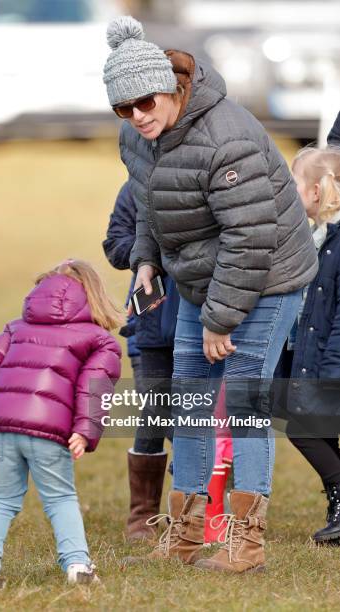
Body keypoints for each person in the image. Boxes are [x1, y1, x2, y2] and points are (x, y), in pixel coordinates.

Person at [102, 16, 318, 572]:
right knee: (192, 398)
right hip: (202, 273)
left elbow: (252, 238)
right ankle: (184, 535)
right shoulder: (139, 135)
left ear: (172, 88)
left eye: (146, 103)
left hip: (267, 275)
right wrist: (147, 259)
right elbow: (150, 201)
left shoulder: (228, 137)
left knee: (243, 400)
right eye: (123, 109)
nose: (138, 116)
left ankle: (246, 545)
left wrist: (219, 319)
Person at [0, 259, 122, 589]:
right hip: (48, 432)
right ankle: (78, 565)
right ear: (94, 296)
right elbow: (95, 385)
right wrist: (84, 429)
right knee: (61, 498)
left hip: (1, 428)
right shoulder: (98, 340)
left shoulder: (16, 328)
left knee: (2, 498)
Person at [103, 180, 180, 541]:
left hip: (203, 311)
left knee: (199, 410)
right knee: (156, 408)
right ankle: (143, 513)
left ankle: (196, 505)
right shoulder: (136, 186)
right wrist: (150, 252)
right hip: (149, 316)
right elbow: (114, 244)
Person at [284, 147, 340, 545]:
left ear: (317, 192)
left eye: (295, 185)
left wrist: (330, 372)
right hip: (313, 356)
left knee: (303, 427)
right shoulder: (315, 237)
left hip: (331, 363)